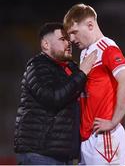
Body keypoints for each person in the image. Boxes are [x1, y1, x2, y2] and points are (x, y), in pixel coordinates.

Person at [14, 22, 97, 165]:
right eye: (62, 39)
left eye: (69, 39)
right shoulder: (37, 66)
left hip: (63, 156)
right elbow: (53, 98)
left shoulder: (70, 69)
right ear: (46, 44)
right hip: (40, 155)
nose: (69, 42)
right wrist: (82, 73)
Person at [63, 3, 125, 165]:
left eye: (74, 32)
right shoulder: (85, 53)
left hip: (105, 137)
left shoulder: (107, 47)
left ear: (90, 25)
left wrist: (113, 121)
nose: (72, 39)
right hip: (88, 137)